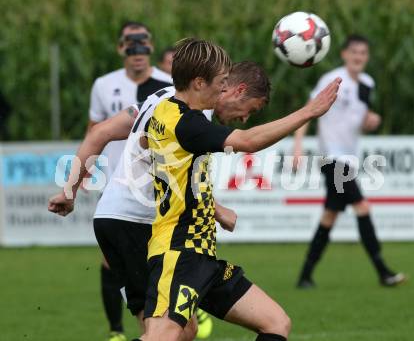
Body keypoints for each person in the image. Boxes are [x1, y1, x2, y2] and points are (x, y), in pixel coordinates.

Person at [48, 60, 271, 340]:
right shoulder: (189, 117)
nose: (244, 119)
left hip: (115, 219)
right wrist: (216, 209)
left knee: (179, 330)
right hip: (136, 222)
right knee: (169, 332)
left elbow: (99, 132)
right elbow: (167, 172)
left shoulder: (160, 98)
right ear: (235, 90)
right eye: (250, 110)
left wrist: (69, 192)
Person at [139, 37, 340, 341]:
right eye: (220, 82)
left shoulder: (166, 111)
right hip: (179, 253)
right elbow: (246, 142)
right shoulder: (185, 123)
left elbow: (147, 144)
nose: (223, 89)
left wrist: (209, 205)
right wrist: (307, 113)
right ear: (197, 83)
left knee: (276, 323)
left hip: (203, 256)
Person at [293, 34, 407, 289]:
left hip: (348, 159)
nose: (358, 57)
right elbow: (307, 112)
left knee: (329, 216)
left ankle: (305, 275)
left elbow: (361, 122)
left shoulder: (367, 83)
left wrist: (371, 122)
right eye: (354, 52)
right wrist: (298, 146)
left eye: (363, 53)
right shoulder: (333, 80)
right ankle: (383, 271)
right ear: (344, 54)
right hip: (332, 160)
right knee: (362, 207)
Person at [88, 20, 172, 341]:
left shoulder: (168, 84)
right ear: (120, 48)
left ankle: (176, 319)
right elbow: (95, 129)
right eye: (130, 43)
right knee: (112, 261)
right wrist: (86, 169)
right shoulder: (104, 85)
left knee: (168, 256)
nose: (137, 50)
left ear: (151, 45)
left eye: (143, 41)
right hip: (116, 183)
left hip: (160, 186)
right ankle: (116, 330)